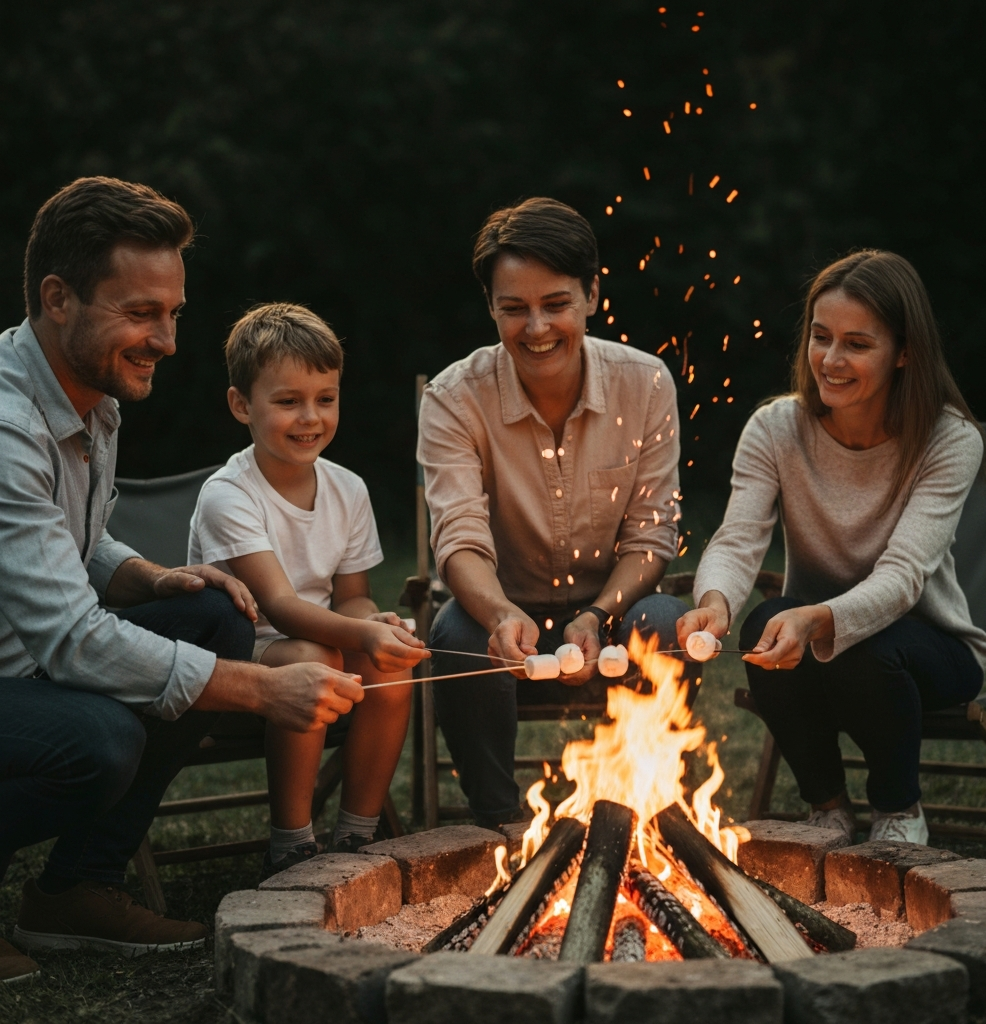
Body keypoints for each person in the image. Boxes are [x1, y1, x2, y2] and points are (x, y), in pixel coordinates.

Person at [0, 178, 364, 983]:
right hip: (17, 672)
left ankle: (76, 889)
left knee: (213, 613)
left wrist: (149, 576)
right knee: (98, 741)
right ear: (58, 298)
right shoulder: (5, 427)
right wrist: (264, 692)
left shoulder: (89, 397)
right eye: (140, 313)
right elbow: (69, 638)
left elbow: (73, 540)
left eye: (173, 313)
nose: (165, 340)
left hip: (26, 663)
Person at [676, 249, 986, 846]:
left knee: (861, 647)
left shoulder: (948, 440)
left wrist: (821, 618)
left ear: (904, 352)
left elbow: (902, 578)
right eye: (821, 337)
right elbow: (739, 537)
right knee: (760, 630)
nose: (831, 359)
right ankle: (828, 807)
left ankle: (899, 811)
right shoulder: (775, 428)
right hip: (817, 639)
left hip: (931, 648)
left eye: (856, 343)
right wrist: (715, 601)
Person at [418, 197, 686, 827]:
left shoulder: (644, 384)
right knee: (458, 638)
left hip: (613, 605)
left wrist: (598, 615)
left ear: (592, 294)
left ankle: (638, 814)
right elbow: (458, 539)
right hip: (498, 605)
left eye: (555, 305)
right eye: (514, 309)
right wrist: (502, 614)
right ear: (491, 307)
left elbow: (652, 534)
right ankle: (499, 823)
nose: (536, 328)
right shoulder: (455, 399)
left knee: (670, 624)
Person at [188, 303, 430, 876]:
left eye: (326, 398)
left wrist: (377, 622)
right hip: (237, 650)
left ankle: (356, 836)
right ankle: (292, 842)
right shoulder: (230, 495)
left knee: (391, 668)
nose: (310, 417)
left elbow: (350, 598)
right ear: (241, 405)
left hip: (317, 638)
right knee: (316, 658)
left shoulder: (348, 489)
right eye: (288, 401)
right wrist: (360, 632)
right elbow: (278, 606)